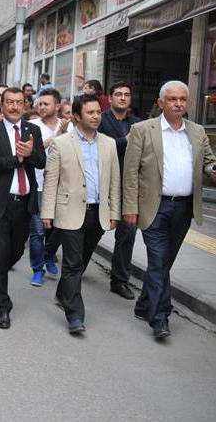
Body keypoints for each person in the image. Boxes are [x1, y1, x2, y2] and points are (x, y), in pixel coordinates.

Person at [123, 80, 216, 339]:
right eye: (173, 99)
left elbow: (208, 162)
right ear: (161, 102)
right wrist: (130, 207)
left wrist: (212, 169)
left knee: (164, 263)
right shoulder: (142, 130)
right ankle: (160, 317)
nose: (178, 104)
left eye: (183, 99)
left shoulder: (197, 132)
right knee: (158, 262)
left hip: (184, 209)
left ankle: (143, 305)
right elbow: (130, 173)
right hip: (154, 207)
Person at [41, 94, 120, 334]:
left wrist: (115, 211)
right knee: (73, 263)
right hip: (69, 210)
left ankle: (62, 292)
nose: (96, 116)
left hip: (98, 212)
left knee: (82, 260)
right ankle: (75, 315)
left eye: (98, 112)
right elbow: (51, 180)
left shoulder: (109, 143)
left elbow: (114, 181)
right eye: (90, 112)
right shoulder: (61, 143)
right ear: (76, 116)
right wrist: (47, 212)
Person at [0, 87, 46, 329]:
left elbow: (41, 161)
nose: (15, 106)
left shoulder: (32, 130)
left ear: (25, 104)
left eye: (19, 102)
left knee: (14, 253)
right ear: (1, 105)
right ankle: (3, 306)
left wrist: (30, 154)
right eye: (10, 102)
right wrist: (15, 159)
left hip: (24, 204)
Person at [99, 82, 142, 300]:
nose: (123, 98)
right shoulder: (100, 120)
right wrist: (125, 140)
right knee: (89, 232)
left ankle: (119, 280)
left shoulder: (138, 123)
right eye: (118, 94)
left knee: (127, 235)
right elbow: (98, 148)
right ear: (110, 98)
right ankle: (69, 266)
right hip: (102, 186)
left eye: (127, 94)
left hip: (128, 189)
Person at [27, 88, 67, 286]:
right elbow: (34, 150)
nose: (41, 107)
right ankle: (37, 268)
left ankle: (49, 254)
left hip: (63, 186)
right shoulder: (31, 126)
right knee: (38, 230)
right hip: (39, 184)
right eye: (39, 104)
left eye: (46, 104)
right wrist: (58, 136)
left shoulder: (69, 126)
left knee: (59, 228)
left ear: (57, 106)